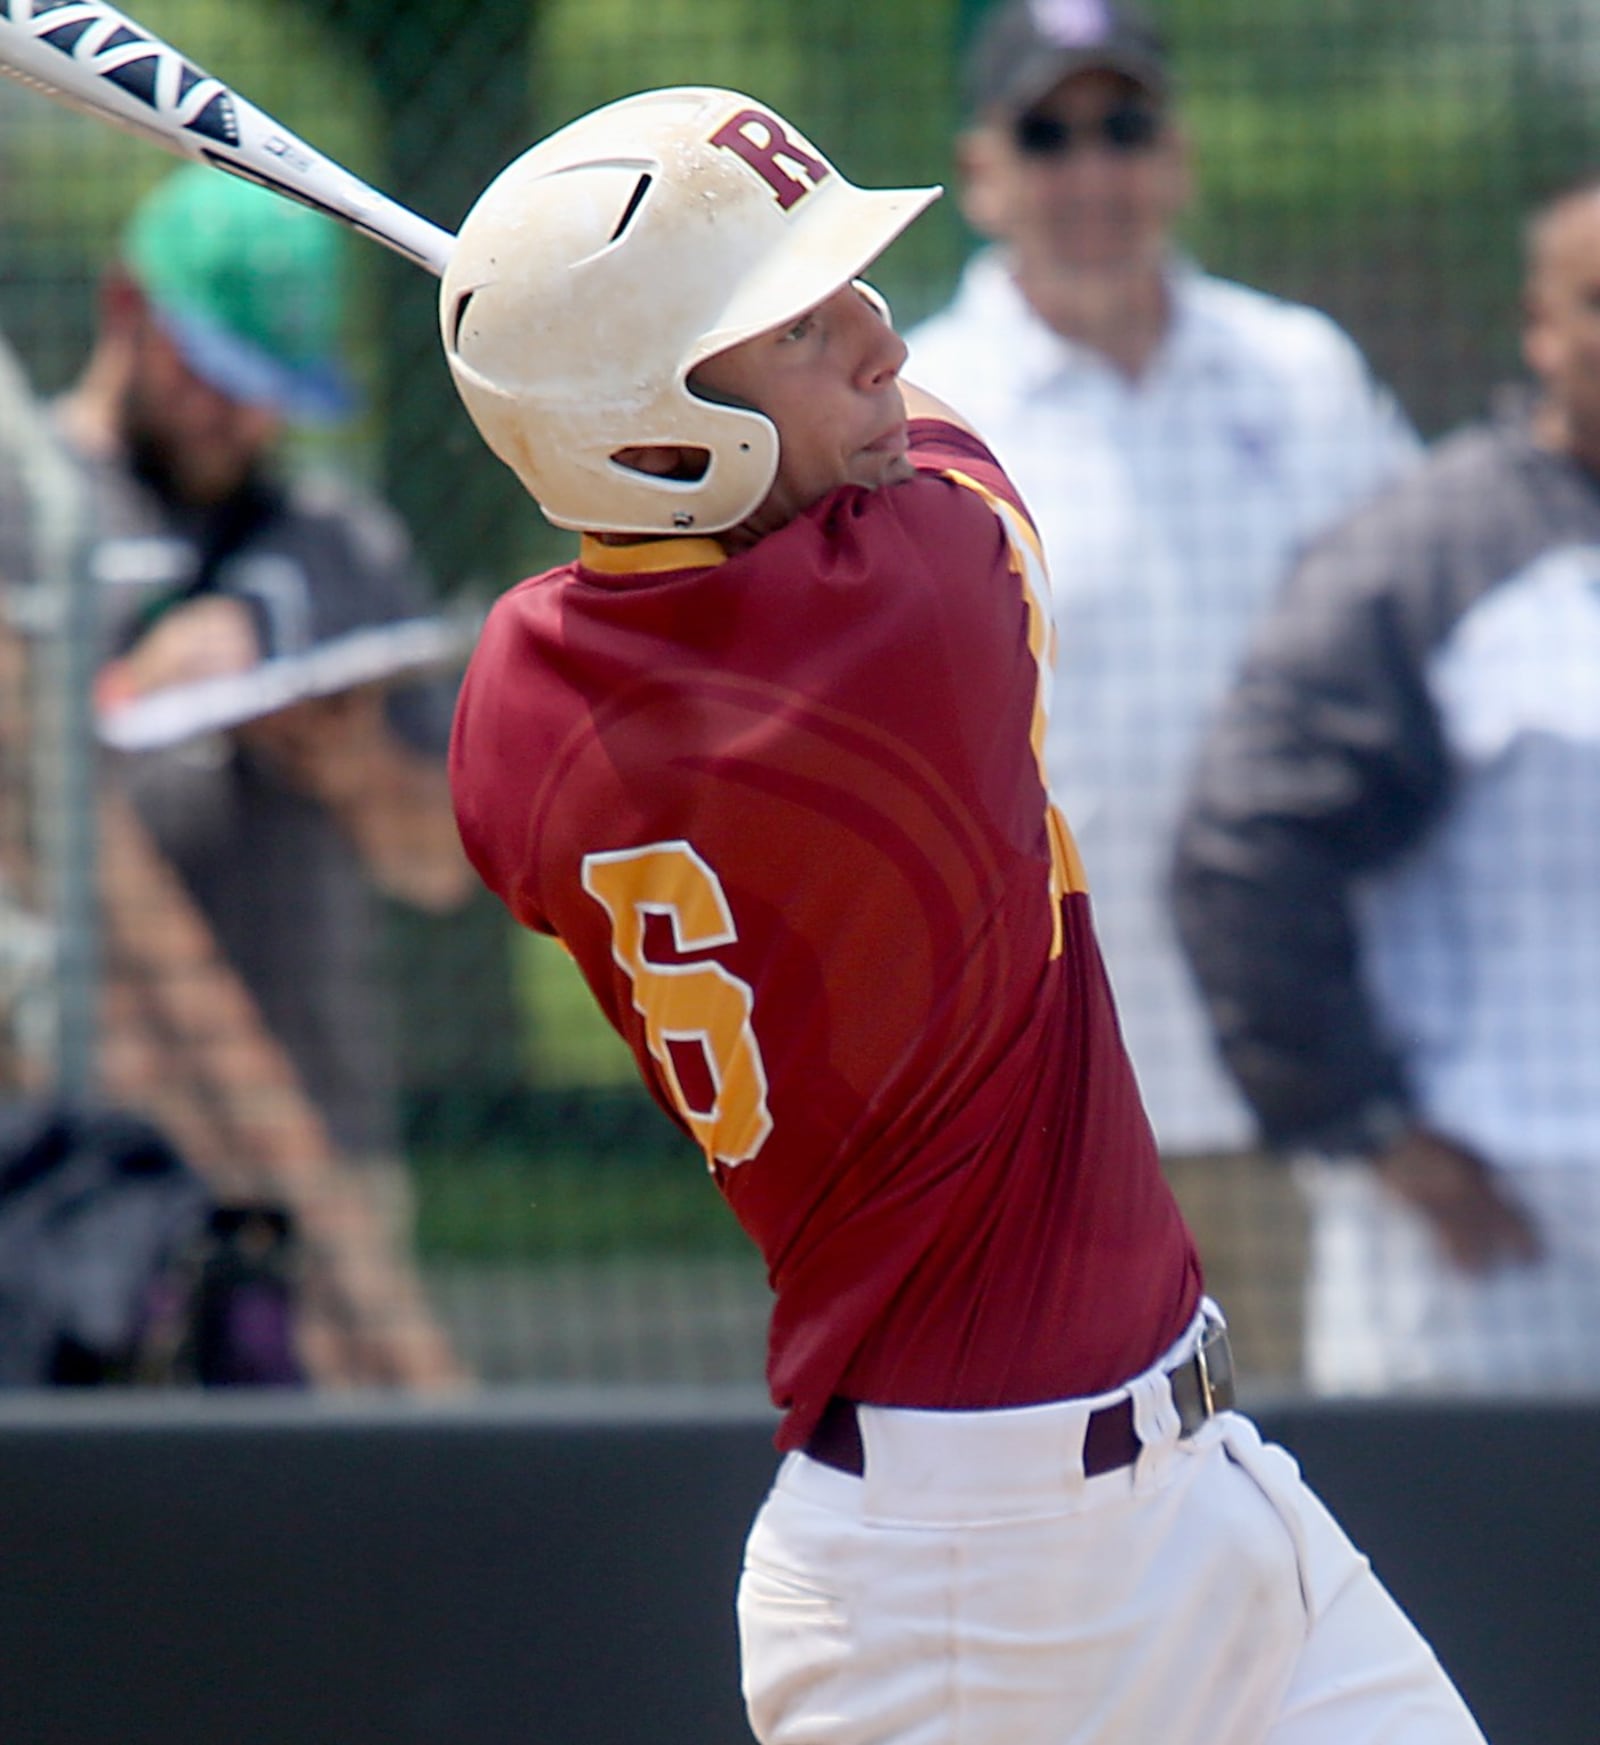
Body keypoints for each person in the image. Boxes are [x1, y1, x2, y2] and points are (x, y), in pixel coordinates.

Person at [443, 84, 1484, 1742]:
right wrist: (651, 349)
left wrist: (629, 359)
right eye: (799, 324)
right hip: (971, 1594)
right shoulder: (919, 614)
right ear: (663, 426)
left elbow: (662, 567)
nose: (874, 339)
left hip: (1199, 1493)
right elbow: (928, 442)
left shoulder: (512, 702)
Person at [905, 0, 1421, 1375]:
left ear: (1178, 155)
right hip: (1037, 1087)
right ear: (984, 170)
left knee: (1300, 1482)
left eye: (1124, 128)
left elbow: (1413, 660)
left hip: (1295, 1072)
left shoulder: (1300, 373)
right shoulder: (921, 407)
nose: (1093, 173)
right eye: (1049, 133)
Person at [1173, 174, 1600, 1398]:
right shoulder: (1425, 557)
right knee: (1472, 1593)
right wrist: (1363, 1122)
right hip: (1493, 1267)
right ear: (1537, 323)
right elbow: (1242, 850)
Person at [54, 165, 472, 1387]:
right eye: (209, 377)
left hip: (307, 1143)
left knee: (323, 1536)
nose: (236, 421)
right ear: (124, 304)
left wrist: (348, 766)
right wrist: (110, 707)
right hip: (69, 1142)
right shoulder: (27, 508)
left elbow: (440, 866)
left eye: (264, 394)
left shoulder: (340, 541)